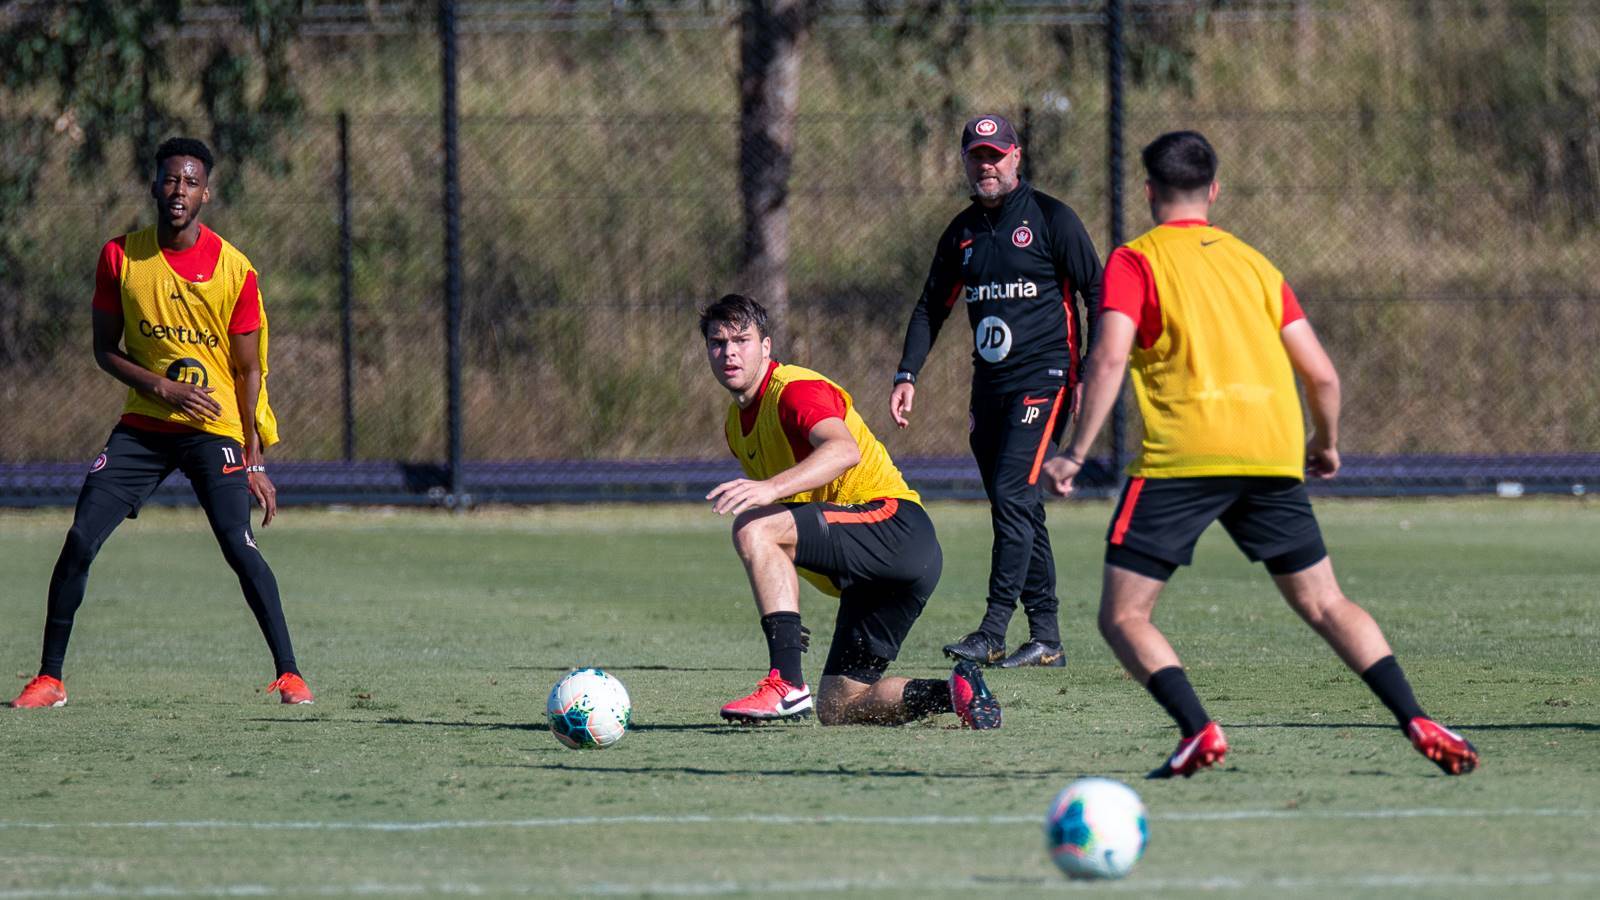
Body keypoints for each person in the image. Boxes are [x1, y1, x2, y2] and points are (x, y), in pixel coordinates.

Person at [1041, 130, 1477, 777]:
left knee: (1124, 615)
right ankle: (1416, 716)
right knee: (1326, 603)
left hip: (1186, 455)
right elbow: (1322, 375)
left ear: (1150, 191)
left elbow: (1108, 357)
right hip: (1272, 453)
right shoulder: (1255, 265)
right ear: (1214, 191)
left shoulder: (1136, 262)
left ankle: (1198, 729)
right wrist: (1324, 444)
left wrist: (1075, 452)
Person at [8, 138, 313, 709]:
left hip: (214, 428)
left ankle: (290, 674)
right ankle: (50, 679)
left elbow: (249, 370)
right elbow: (105, 349)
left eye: (191, 182)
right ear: (154, 185)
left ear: (206, 194)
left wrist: (253, 457)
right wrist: (162, 387)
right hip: (145, 425)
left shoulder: (235, 270)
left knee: (239, 543)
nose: (179, 191)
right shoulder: (120, 258)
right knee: (80, 538)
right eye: (171, 180)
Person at [701, 293, 999, 728]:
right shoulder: (735, 424)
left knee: (753, 526)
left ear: (765, 346)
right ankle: (958, 694)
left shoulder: (793, 391)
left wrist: (769, 489)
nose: (729, 352)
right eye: (717, 342)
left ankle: (786, 682)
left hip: (894, 526)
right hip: (878, 570)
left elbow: (844, 451)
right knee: (839, 706)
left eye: (741, 340)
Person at [892, 114, 1103, 669]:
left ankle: (992, 631)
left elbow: (1097, 292)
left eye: (995, 155)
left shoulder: (1052, 218)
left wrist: (1088, 371)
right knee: (1020, 506)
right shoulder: (961, 232)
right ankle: (1047, 638)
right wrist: (907, 373)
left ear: (1016, 157)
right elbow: (930, 306)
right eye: (977, 156)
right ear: (966, 162)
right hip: (989, 388)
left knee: (1012, 494)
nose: (986, 165)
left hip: (1045, 380)